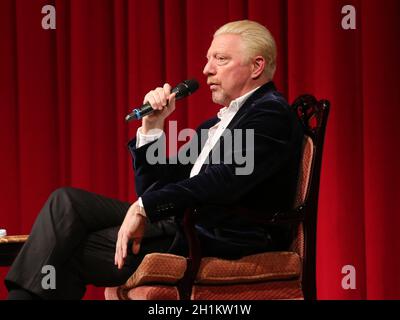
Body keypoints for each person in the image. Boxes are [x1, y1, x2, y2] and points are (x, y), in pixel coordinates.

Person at [5, 20, 304, 300]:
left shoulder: (270, 114)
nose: (206, 70)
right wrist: (152, 127)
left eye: (221, 59)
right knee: (66, 202)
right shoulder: (218, 123)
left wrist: (143, 208)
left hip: (220, 235)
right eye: (208, 59)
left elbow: (223, 181)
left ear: (257, 66)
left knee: (64, 250)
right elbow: (154, 188)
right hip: (186, 221)